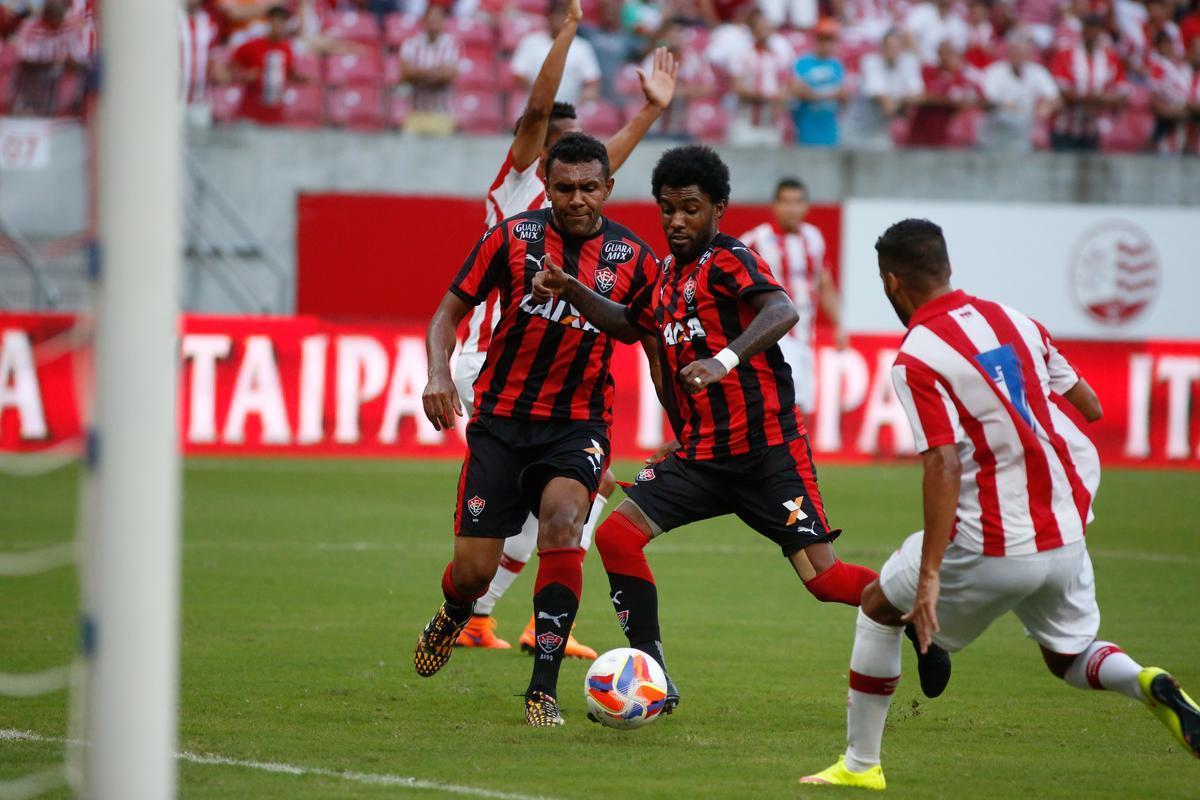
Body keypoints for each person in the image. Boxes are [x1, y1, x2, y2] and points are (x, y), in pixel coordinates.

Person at [531, 146, 948, 715]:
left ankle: (919, 621)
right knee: (615, 537)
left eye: (691, 209)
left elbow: (782, 311)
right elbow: (630, 324)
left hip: (766, 454)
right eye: (668, 209)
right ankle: (653, 672)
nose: (678, 221)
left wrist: (722, 361)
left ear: (718, 209)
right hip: (700, 457)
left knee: (825, 581)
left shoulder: (732, 260)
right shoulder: (664, 276)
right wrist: (573, 288)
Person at [800, 218, 1200, 790]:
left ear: (893, 283)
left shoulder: (917, 357)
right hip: (1063, 529)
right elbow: (1088, 405)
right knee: (1070, 656)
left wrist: (932, 573)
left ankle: (861, 766)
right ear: (947, 267)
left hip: (991, 538)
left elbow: (942, 463)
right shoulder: (1015, 320)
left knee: (878, 608)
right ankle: (1145, 681)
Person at [453, 0, 678, 656]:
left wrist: (652, 110)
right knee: (583, 490)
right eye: (560, 138)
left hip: (545, 377)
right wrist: (570, 32)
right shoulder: (520, 183)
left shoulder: (574, 193)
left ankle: (495, 616)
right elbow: (535, 109)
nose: (575, 162)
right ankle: (501, 614)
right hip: (491, 363)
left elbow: (606, 163)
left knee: (572, 499)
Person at [413, 133, 660, 728]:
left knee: (562, 524)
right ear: (547, 187)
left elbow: (652, 341)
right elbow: (449, 310)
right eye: (565, 188)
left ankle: (542, 689)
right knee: (473, 572)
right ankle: (455, 610)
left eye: (589, 188)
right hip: (501, 422)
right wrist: (438, 374)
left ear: (608, 188)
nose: (577, 199)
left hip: (578, 424)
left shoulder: (635, 258)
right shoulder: (512, 236)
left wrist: (682, 423)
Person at [739, 177, 845, 419]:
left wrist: (839, 323)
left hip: (805, 335)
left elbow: (824, 283)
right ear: (774, 206)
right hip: (772, 334)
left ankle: (793, 456)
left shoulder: (813, 238)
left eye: (797, 202)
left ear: (806, 206)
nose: (791, 208)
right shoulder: (757, 239)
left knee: (802, 407)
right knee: (785, 405)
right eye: (785, 202)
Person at [1048, 13, 1128, 152]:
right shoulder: (1066, 55)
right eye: (1090, 28)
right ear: (1083, 30)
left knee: (1090, 171)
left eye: (1097, 29)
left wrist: (1094, 100)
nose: (1093, 33)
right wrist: (1098, 99)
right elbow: (1063, 92)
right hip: (1064, 130)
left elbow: (1121, 93)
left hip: (1092, 131)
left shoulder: (1110, 59)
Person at [980, 29, 1060, 151]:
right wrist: (1006, 105)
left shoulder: (1037, 72)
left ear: (1029, 54)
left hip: (1024, 132)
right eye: (1014, 52)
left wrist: (1046, 107)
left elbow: (1055, 97)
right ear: (1008, 52)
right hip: (996, 131)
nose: (1017, 56)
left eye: (1021, 52)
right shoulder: (994, 72)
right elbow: (988, 100)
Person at [843, 29, 924, 149]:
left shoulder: (906, 63)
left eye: (896, 47)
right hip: (855, 131)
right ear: (881, 48)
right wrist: (904, 102)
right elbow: (887, 107)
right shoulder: (870, 62)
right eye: (889, 47)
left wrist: (900, 103)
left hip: (880, 132)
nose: (893, 51)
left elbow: (920, 98)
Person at [510, 0, 601, 105]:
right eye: (555, 15)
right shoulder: (531, 42)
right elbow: (519, 73)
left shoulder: (582, 47)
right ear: (548, 17)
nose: (558, 20)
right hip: (533, 109)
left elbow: (591, 80)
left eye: (562, 16)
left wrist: (584, 99)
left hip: (567, 110)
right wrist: (538, 93)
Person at [231, 5, 307, 125]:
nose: (279, 25)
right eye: (276, 20)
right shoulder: (252, 45)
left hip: (275, 115)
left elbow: (290, 74)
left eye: (283, 21)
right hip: (250, 114)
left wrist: (302, 78)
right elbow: (230, 68)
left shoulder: (287, 49)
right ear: (269, 22)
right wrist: (244, 75)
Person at [728, 9, 793, 146]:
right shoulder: (743, 54)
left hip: (770, 123)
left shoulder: (776, 56)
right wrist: (766, 96)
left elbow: (786, 86)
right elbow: (737, 87)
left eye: (767, 28)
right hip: (746, 122)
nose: (764, 31)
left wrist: (782, 97)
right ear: (753, 30)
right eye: (761, 27)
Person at [398, 3, 459, 136]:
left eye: (437, 20)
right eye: (431, 20)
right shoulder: (411, 43)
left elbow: (448, 76)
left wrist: (418, 73)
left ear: (443, 22)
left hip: (442, 114)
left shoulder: (451, 44)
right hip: (415, 113)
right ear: (424, 21)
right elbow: (405, 74)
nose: (434, 24)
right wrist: (434, 71)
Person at [907, 40, 982, 147]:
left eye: (949, 53)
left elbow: (975, 100)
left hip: (949, 131)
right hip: (925, 128)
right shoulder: (928, 71)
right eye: (942, 53)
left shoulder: (964, 78)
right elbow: (920, 96)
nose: (945, 57)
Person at [791, 18, 849, 147]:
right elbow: (798, 90)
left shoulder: (837, 65)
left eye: (830, 39)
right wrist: (830, 94)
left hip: (830, 132)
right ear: (816, 40)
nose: (826, 44)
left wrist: (814, 94)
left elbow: (844, 95)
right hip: (806, 131)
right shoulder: (802, 62)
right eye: (823, 39)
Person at [1147, 29, 1193, 153]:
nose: (1167, 47)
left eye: (1168, 43)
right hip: (1169, 109)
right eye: (1163, 43)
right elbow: (1155, 96)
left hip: (1185, 107)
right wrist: (1170, 110)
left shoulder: (1183, 66)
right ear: (1158, 46)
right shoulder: (1157, 64)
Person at [903, 0, 969, 63]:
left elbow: (960, 50)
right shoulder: (923, 11)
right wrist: (922, 57)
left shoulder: (957, 22)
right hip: (922, 63)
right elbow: (908, 34)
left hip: (945, 68)